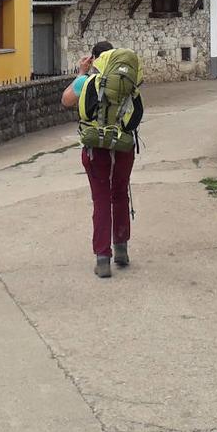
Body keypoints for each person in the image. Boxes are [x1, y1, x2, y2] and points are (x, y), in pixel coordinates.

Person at [62, 40, 142, 279]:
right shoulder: (128, 83)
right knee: (119, 194)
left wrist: (81, 73)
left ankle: (102, 258)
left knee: (101, 199)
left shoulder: (86, 82)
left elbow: (66, 100)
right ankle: (121, 250)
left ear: (96, 59)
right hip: (123, 147)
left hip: (95, 148)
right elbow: (135, 115)